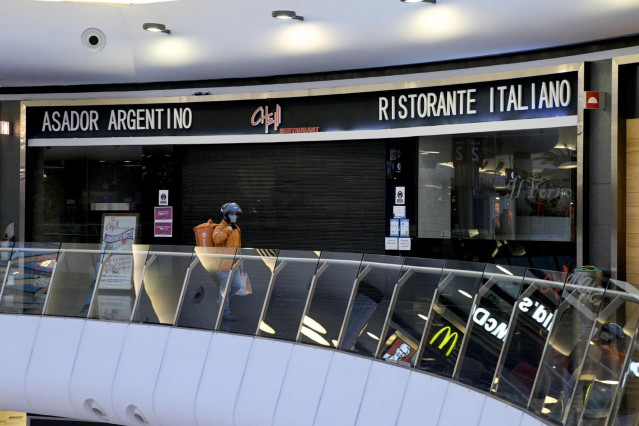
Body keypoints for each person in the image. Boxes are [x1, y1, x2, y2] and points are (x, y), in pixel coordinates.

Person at [213, 202, 242, 320]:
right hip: (223, 265)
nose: (234, 216)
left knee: (236, 286)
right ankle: (225, 312)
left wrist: (240, 261)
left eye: (236, 214)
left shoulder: (237, 228)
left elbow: (238, 246)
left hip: (234, 265)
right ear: (225, 215)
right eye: (231, 213)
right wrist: (228, 229)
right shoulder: (219, 228)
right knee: (225, 289)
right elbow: (217, 240)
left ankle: (221, 302)